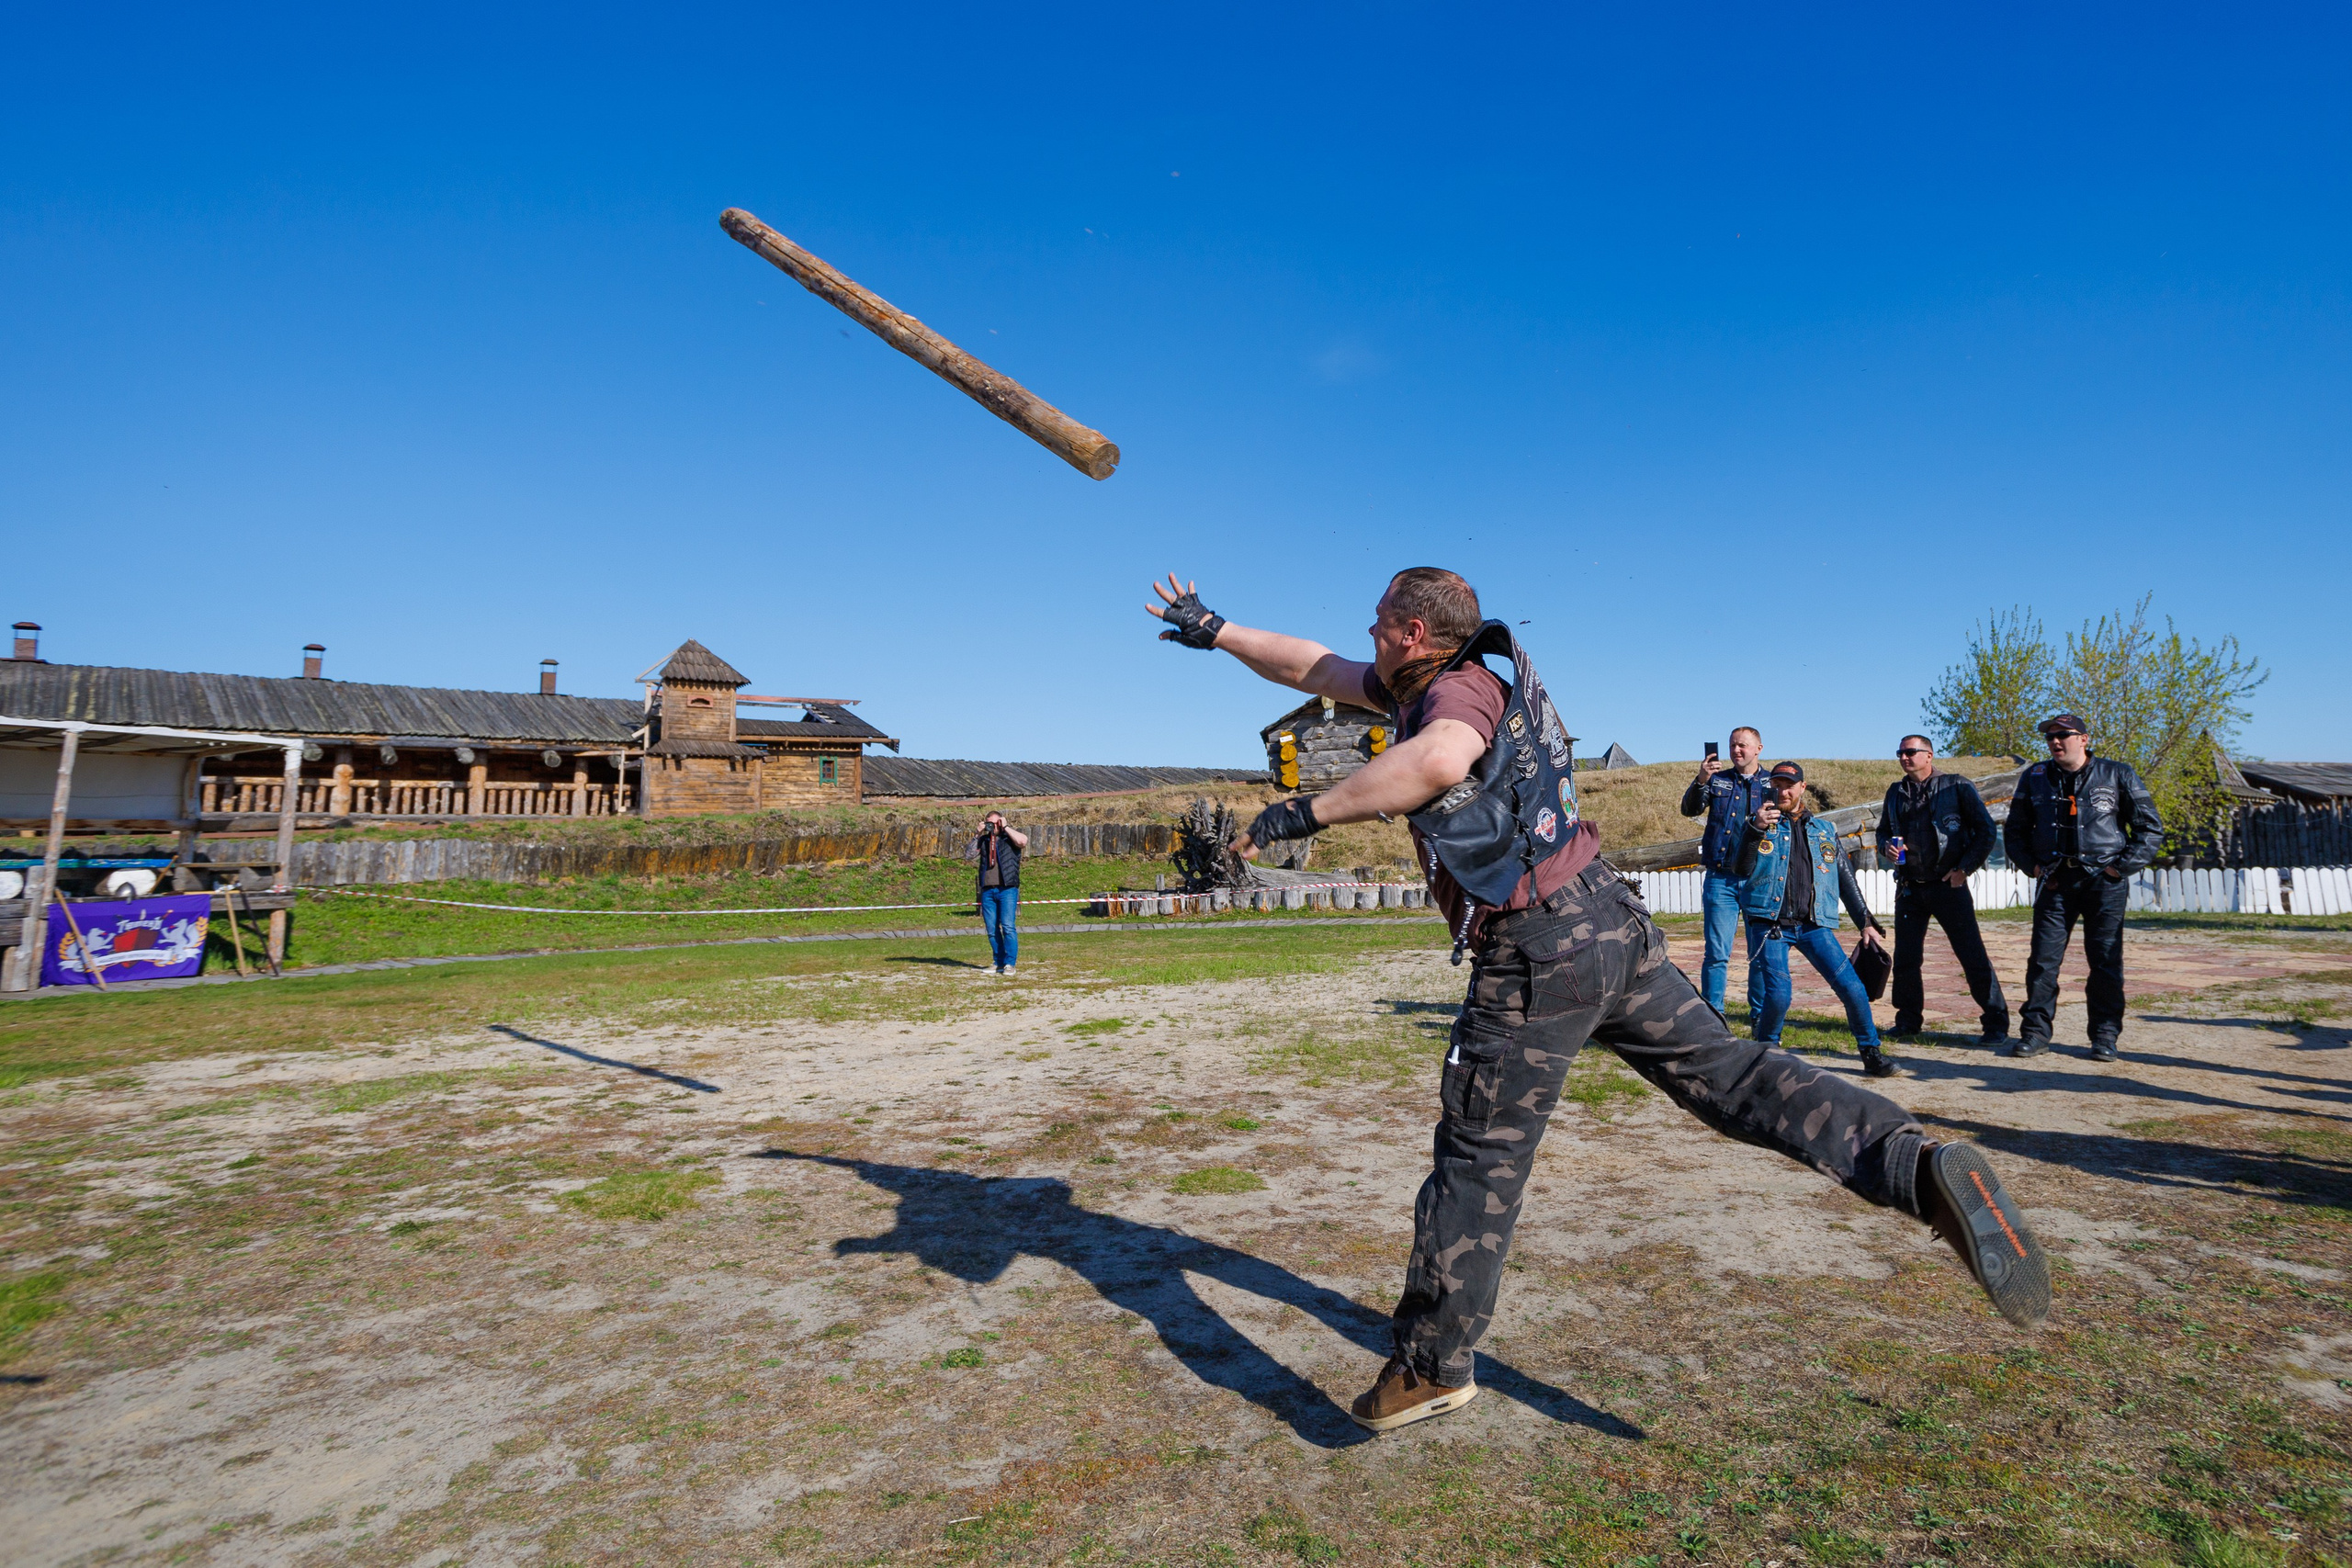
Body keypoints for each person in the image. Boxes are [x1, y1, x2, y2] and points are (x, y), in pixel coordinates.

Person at [1145, 569, 2050, 1435]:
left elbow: (1438, 759)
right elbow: (1312, 667)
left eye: (1379, 619)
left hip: (1537, 950)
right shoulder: (1432, 680)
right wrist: (1219, 631)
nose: (1366, 632)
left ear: (1414, 633)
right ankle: (1915, 1166)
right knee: (1733, 1076)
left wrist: (1309, 810)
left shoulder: (1455, 694)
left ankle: (1431, 1364)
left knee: (1479, 1155)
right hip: (1609, 922)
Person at [2001, 714, 2163, 1061]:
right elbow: (2014, 831)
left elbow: (2150, 829)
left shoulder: (2117, 773)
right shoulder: (2036, 776)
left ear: (2084, 739)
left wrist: (2119, 869)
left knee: (2105, 961)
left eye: (2063, 735)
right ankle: (2035, 1033)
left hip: (2104, 881)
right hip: (2055, 880)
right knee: (2043, 961)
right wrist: (2033, 866)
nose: (2055, 742)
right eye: (2049, 737)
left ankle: (2104, 1036)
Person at [1729, 762, 1896, 1076]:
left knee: (1853, 988)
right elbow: (1740, 868)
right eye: (1777, 785)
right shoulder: (1756, 824)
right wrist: (1755, 829)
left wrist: (1865, 922)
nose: (1783, 791)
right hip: (1770, 925)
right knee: (1779, 995)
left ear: (1802, 787)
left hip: (1812, 925)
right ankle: (1766, 1055)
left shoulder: (1824, 830)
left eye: (1789, 785)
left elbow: (1845, 878)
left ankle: (1871, 1052)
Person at [1874, 736, 2008, 1046]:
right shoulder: (1895, 791)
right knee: (1907, 959)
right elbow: (1883, 832)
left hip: (1948, 885)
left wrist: (1965, 868)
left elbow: (1986, 830)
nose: (1904, 757)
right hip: (1910, 887)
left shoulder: (1956, 786)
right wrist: (1886, 847)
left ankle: (1995, 1023)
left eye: (1910, 752)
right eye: (1900, 753)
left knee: (1971, 955)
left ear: (1929, 755)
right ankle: (1908, 1022)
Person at [1679, 727, 1773, 1017]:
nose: (1736, 750)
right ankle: (1714, 1017)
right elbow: (1689, 810)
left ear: (1759, 748)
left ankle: (1759, 1016)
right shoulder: (1717, 780)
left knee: (1760, 955)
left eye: (1743, 745)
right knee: (1716, 954)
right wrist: (1701, 780)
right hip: (1721, 878)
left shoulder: (1773, 782)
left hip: (1760, 879)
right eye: (1733, 745)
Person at [967, 811, 1030, 976]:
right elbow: (969, 855)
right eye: (990, 823)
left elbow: (1023, 841)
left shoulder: (1009, 838)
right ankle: (998, 962)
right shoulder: (984, 839)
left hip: (1007, 888)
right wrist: (977, 833)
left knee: (1008, 927)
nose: (993, 826)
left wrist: (1006, 827)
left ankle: (1010, 964)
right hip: (988, 889)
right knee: (991, 929)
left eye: (996, 823)